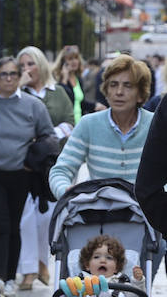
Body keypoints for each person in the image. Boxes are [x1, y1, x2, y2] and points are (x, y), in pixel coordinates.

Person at [0, 58, 54, 297]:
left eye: (13, 74)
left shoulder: (33, 105)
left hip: (21, 174)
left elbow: (48, 136)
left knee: (13, 226)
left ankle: (11, 279)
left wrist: (32, 161)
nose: (8, 78)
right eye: (2, 74)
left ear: (20, 76)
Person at [49, 54, 151, 200]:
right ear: (106, 91)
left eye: (127, 85)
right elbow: (60, 170)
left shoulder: (155, 125)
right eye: (113, 85)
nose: (119, 92)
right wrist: (66, 191)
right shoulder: (88, 124)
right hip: (100, 214)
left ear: (140, 94)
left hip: (146, 215)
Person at [14, 46, 71, 290]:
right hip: (23, 164)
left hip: (49, 163)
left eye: (31, 64)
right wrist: (19, 85)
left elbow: (70, 121)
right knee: (25, 219)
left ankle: (42, 262)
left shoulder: (58, 92)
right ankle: (28, 269)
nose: (27, 69)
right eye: (22, 65)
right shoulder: (16, 93)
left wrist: (48, 138)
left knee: (47, 217)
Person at [53, 45, 87, 123]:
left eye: (76, 58)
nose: (74, 61)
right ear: (63, 62)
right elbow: (63, 101)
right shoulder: (58, 80)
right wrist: (64, 79)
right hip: (66, 124)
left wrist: (96, 105)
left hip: (79, 123)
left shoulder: (78, 79)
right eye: (70, 59)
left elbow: (81, 103)